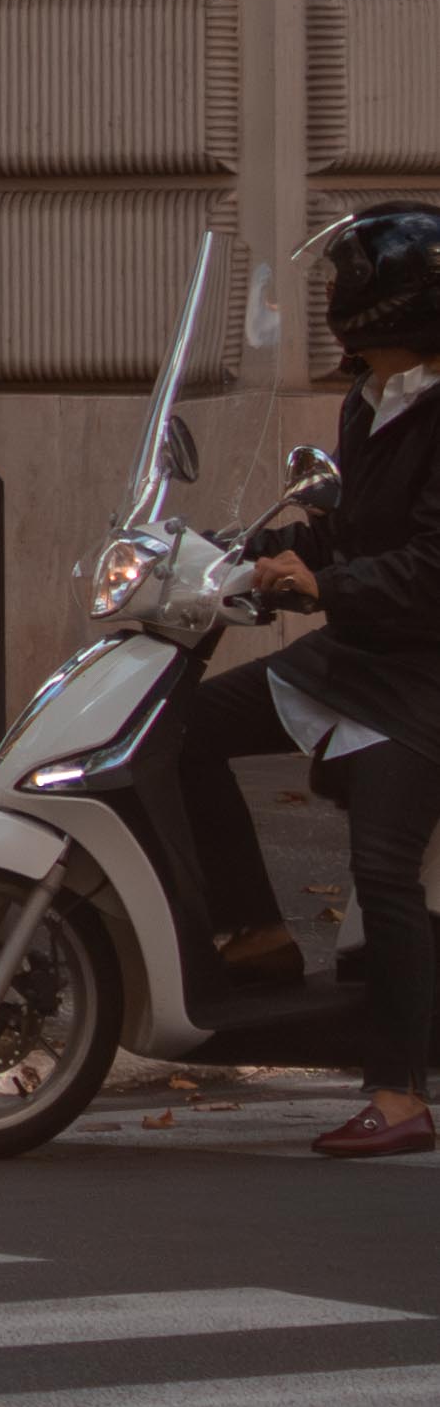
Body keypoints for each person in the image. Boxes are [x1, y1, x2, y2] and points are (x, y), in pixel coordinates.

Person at [241, 203, 440, 1158]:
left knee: (383, 868)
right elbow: (357, 525)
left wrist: (322, 583)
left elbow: (429, 568)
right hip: (360, 650)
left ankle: (399, 1095)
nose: (331, 297)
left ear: (384, 301)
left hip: (423, 674)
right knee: (183, 725)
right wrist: (251, 551)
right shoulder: (370, 395)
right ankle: (249, 933)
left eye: (343, 281)